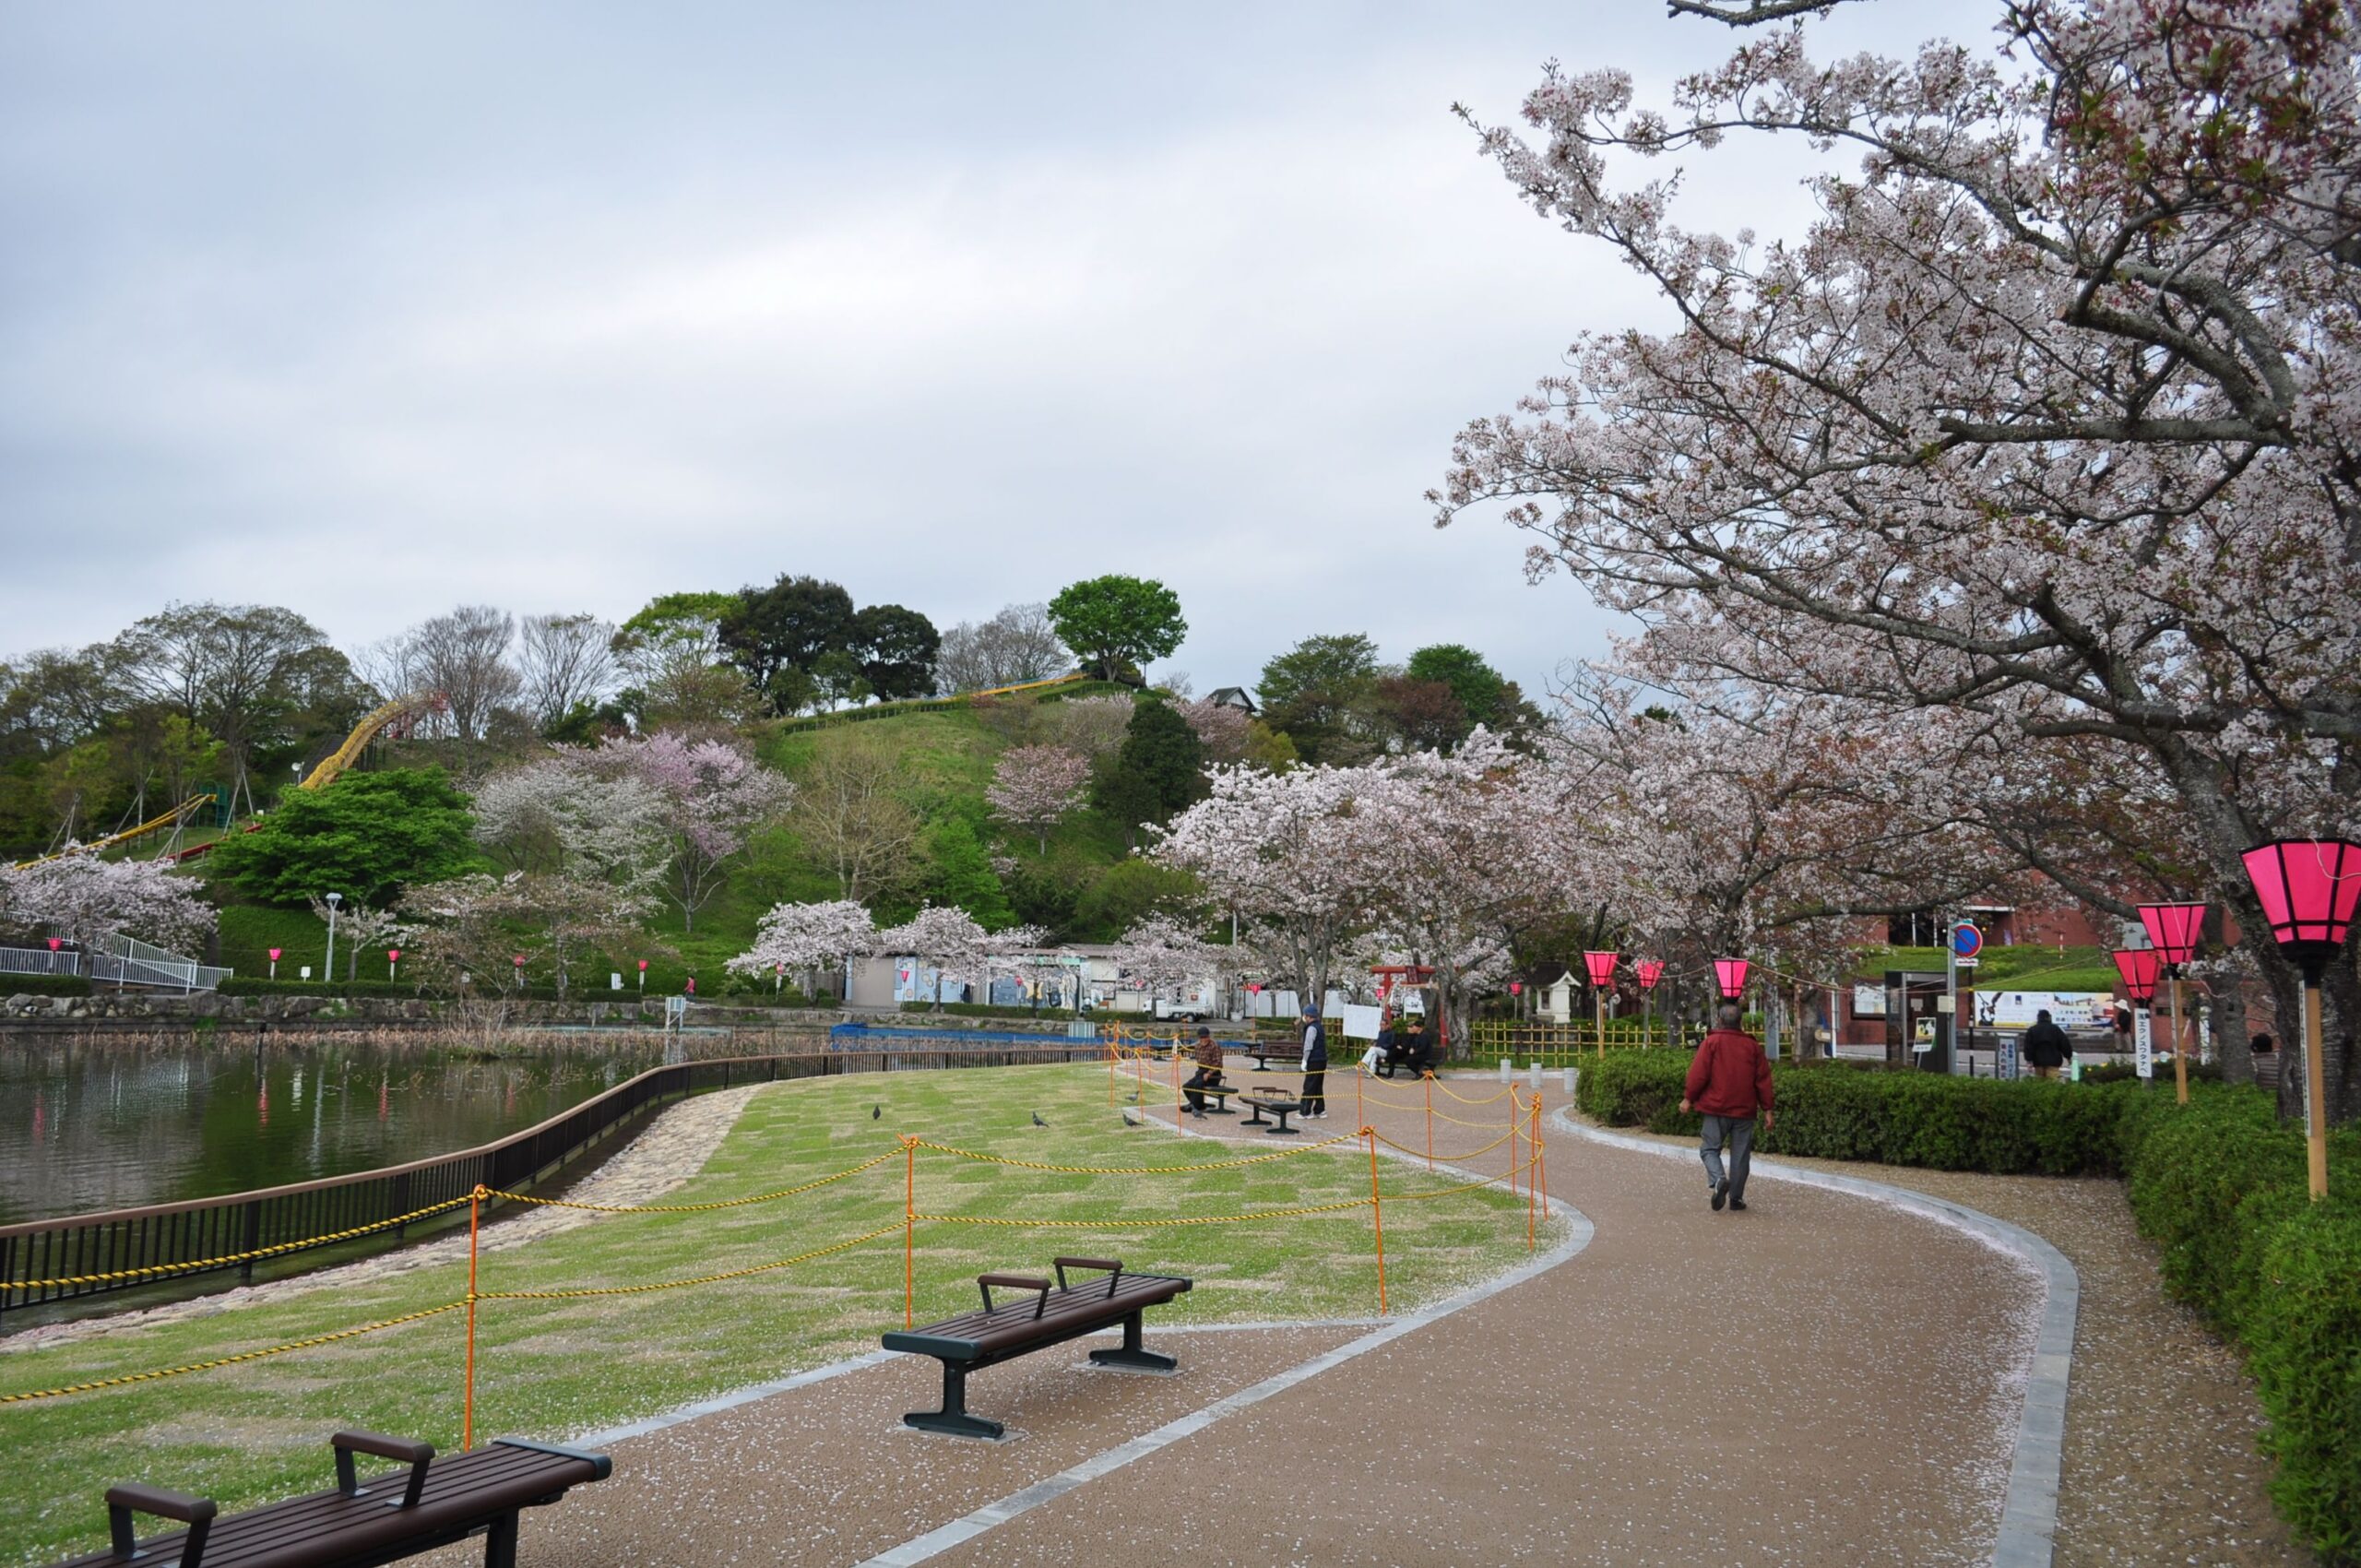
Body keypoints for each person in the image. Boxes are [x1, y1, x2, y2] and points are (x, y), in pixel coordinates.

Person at [1679, 1002, 1774, 1212]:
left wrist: (1688, 1098)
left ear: (1720, 1020)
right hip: (1745, 1110)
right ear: (1740, 1022)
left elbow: (1699, 1074)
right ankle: (1736, 1199)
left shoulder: (1711, 1042)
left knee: (1709, 1149)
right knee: (1740, 1156)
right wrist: (1768, 1109)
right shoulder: (1752, 1047)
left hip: (1716, 1108)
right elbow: (1763, 1080)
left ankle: (1719, 1178)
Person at [1182, 1027, 1226, 1117]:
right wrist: (1201, 1073)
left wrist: (1209, 1073)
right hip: (1201, 1071)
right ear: (1199, 1037)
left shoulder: (1214, 1046)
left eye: (1206, 1037)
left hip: (1214, 1074)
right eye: (1202, 1037)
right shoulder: (1197, 1046)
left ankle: (1194, 1106)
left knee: (1198, 1084)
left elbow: (1218, 1063)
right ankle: (1198, 1105)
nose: (1204, 1039)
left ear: (1209, 1036)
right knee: (1186, 1086)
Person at [2022, 1008, 2071, 1080]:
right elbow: (2064, 1044)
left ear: (2038, 1018)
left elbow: (2028, 1047)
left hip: (2038, 1061)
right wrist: (2068, 1057)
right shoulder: (2056, 1029)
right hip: (2054, 1061)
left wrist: (2029, 1060)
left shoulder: (2032, 1030)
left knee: (2040, 1083)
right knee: (2053, 1083)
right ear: (2048, 1017)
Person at [1299, 1004, 1329, 1119]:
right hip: (1322, 1059)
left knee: (1309, 1085)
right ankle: (1320, 1110)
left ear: (1308, 1016)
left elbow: (1308, 1046)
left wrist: (1304, 1060)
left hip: (1314, 1059)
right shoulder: (1319, 1026)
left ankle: (1305, 1111)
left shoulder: (1311, 1028)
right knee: (1317, 1085)